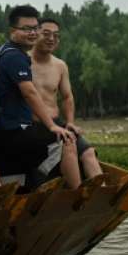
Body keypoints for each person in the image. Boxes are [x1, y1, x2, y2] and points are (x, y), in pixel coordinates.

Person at [0, 6, 80, 189]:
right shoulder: (15, 57)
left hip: (5, 130)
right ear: (12, 31)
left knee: (16, 181)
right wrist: (52, 126)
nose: (32, 33)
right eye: (26, 29)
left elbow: (67, 97)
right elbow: (30, 93)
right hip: (16, 129)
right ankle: (78, 195)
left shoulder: (5, 51)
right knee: (67, 141)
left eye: (34, 28)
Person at [31, 18, 103, 179]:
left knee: (89, 152)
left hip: (57, 122)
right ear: (35, 34)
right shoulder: (22, 61)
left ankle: (102, 192)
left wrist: (70, 122)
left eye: (56, 35)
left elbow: (67, 97)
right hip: (34, 125)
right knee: (69, 146)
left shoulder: (60, 65)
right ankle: (77, 195)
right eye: (47, 34)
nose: (51, 39)